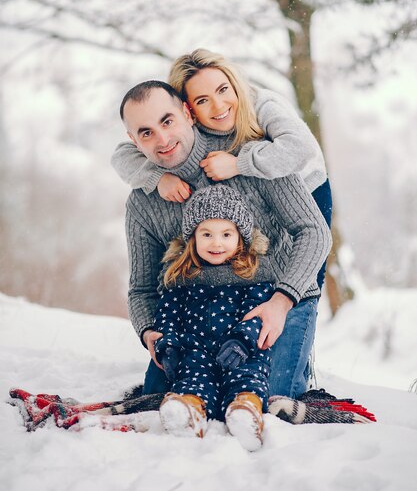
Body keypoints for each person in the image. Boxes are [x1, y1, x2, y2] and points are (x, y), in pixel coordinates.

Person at [116, 78, 332, 401]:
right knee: (162, 397)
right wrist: (150, 331)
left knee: (268, 399)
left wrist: (282, 302)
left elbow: (315, 231)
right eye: (146, 133)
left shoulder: (251, 156)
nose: (162, 139)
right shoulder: (144, 200)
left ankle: (297, 357)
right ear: (133, 141)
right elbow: (142, 289)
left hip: (272, 299)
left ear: (188, 114)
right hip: (196, 313)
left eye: (167, 121)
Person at [112, 48, 332, 293]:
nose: (218, 106)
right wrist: (157, 178)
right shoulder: (192, 127)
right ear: (189, 111)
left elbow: (301, 150)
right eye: (202, 100)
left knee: (308, 273)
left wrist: (238, 164)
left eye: (223, 90)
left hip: (307, 183)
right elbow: (122, 155)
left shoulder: (262, 105)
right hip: (261, 192)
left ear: (234, 83)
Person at [154, 184, 275, 451]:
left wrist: (242, 341)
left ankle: (245, 410)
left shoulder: (252, 275)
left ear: (240, 237)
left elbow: (258, 314)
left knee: (248, 376)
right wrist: (169, 346)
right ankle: (190, 411)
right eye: (207, 234)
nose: (216, 243)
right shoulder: (181, 277)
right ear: (193, 238)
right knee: (191, 378)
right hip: (195, 350)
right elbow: (167, 317)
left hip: (240, 350)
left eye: (226, 234)